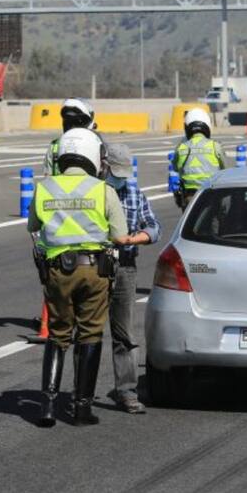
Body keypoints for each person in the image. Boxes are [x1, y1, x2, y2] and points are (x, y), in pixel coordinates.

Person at [28, 128, 144, 427]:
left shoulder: (44, 188)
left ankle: (48, 406)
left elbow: (33, 226)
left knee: (58, 335)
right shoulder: (102, 190)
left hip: (56, 271)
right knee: (90, 335)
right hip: (94, 269)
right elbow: (119, 236)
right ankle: (81, 409)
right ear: (94, 157)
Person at [104, 143, 160, 414]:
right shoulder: (95, 193)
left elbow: (154, 226)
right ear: (104, 166)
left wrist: (136, 237)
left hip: (124, 266)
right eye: (116, 172)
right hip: (95, 266)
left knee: (124, 333)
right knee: (86, 334)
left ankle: (126, 391)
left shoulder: (134, 194)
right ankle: (81, 393)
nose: (120, 178)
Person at [173, 107, 226, 209]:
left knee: (190, 223)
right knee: (217, 220)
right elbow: (225, 169)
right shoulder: (215, 146)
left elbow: (175, 167)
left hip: (189, 195)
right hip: (211, 192)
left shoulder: (181, 147)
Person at [43, 98, 96, 176]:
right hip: (91, 187)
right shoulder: (95, 142)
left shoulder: (55, 145)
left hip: (58, 187)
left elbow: (48, 176)